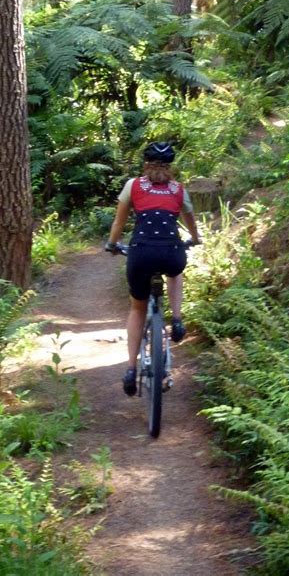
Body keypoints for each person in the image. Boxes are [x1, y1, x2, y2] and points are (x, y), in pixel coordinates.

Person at [105, 142, 199, 396]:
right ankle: (177, 319)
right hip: (171, 252)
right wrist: (195, 237)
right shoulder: (179, 189)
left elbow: (119, 221)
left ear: (145, 165)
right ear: (170, 167)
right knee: (175, 271)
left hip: (141, 252)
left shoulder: (133, 186)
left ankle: (131, 368)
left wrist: (112, 244)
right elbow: (190, 220)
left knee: (137, 307)